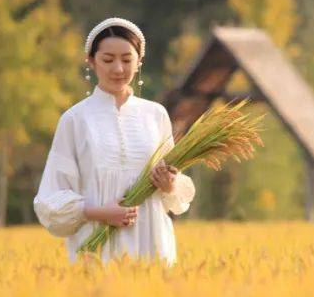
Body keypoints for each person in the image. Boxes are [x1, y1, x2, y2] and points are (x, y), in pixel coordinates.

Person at [33, 17, 196, 264]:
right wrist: (100, 213)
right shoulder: (75, 119)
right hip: (96, 246)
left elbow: (173, 195)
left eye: (127, 59)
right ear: (91, 60)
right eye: (108, 60)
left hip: (151, 243)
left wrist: (169, 185)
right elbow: (51, 196)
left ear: (139, 61)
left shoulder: (156, 115)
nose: (118, 69)